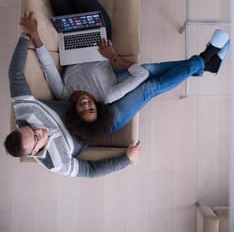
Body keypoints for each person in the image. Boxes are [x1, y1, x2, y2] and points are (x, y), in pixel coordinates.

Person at [19, 11, 230, 146]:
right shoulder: (107, 97)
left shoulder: (63, 93)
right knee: (150, 87)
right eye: (90, 108)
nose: (85, 104)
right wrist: (115, 57)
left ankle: (206, 65)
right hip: (111, 120)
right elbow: (142, 78)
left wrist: (35, 35)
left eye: (82, 108)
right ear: (98, 108)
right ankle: (204, 60)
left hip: (99, 102)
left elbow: (48, 67)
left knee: (147, 68)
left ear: (74, 109)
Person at [4, 32, 141, 177]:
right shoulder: (57, 163)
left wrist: (25, 37)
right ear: (33, 152)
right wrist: (126, 159)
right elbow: (90, 171)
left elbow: (15, 73)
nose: (39, 131)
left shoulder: (25, 111)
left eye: (31, 128)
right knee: (148, 89)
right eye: (36, 138)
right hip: (98, 128)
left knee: (146, 76)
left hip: (85, 102)